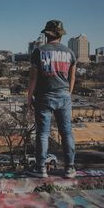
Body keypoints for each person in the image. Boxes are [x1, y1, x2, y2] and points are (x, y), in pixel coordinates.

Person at [27, 20, 77, 178]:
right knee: (67, 133)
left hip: (44, 97)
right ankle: (70, 168)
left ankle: (40, 168)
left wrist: (29, 97)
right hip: (64, 96)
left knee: (42, 133)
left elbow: (33, 79)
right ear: (61, 35)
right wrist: (67, 93)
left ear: (47, 34)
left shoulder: (39, 51)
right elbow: (72, 78)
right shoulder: (70, 52)